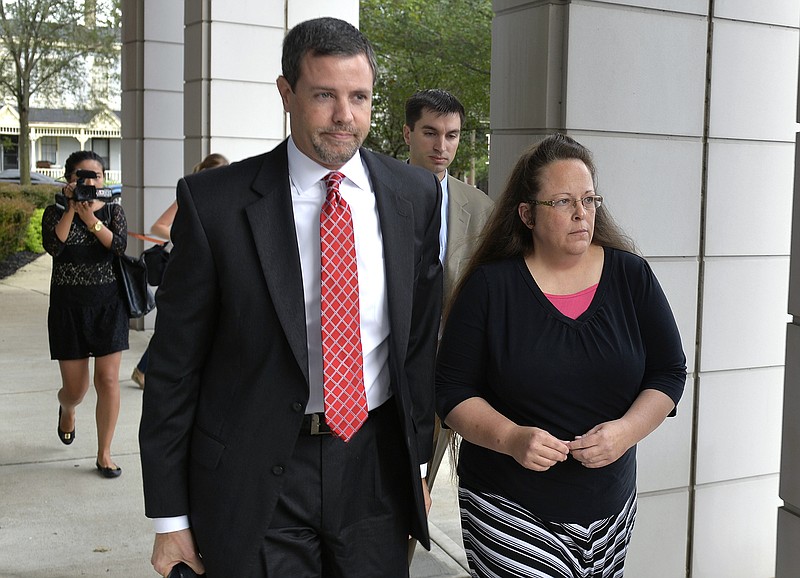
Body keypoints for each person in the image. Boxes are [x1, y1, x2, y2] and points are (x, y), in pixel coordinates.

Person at [139, 16, 442, 578]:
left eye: (359, 97)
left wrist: (416, 464)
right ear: (287, 93)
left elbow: (418, 346)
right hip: (254, 474)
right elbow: (174, 369)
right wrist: (169, 518)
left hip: (373, 467)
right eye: (324, 95)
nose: (344, 117)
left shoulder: (414, 195)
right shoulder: (215, 205)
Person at [435, 133, 686, 577]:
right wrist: (512, 438)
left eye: (589, 200)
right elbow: (452, 391)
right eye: (564, 201)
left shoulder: (631, 276)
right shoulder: (491, 288)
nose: (581, 214)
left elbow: (668, 372)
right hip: (509, 506)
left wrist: (626, 431)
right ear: (527, 214)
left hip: (609, 504)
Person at [42, 150, 129, 479]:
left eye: (95, 176)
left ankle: (104, 453)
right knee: (76, 389)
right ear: (69, 179)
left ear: (104, 180)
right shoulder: (54, 211)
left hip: (108, 306)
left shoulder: (112, 211)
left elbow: (118, 246)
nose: (89, 181)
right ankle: (67, 408)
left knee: (107, 380)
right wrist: (71, 210)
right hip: (68, 309)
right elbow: (55, 246)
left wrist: (92, 218)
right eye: (82, 175)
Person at [130, 152, 229, 389]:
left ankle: (146, 370)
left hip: (203, 269)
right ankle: (144, 370)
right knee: (177, 323)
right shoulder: (190, 194)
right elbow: (159, 227)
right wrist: (189, 234)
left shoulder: (223, 198)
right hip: (179, 269)